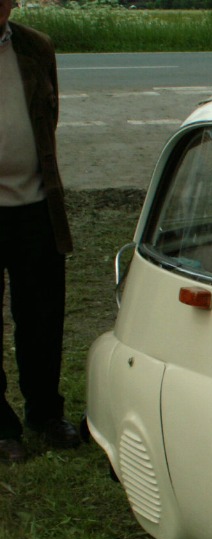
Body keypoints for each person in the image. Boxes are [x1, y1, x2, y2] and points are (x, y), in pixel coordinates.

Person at [0, 0, 81, 464]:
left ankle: (45, 414)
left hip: (36, 205)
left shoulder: (35, 46)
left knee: (43, 317)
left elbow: (45, 121)